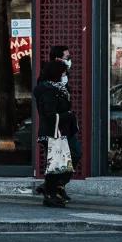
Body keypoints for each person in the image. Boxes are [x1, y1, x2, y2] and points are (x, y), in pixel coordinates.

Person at [33, 60, 75, 207]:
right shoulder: (49, 90)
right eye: (63, 73)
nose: (65, 75)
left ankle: (51, 190)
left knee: (60, 163)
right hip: (52, 132)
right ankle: (50, 193)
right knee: (55, 164)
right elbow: (49, 114)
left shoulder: (59, 88)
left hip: (57, 131)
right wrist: (68, 115)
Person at [49, 45, 82, 170]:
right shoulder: (49, 78)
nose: (69, 60)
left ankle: (58, 184)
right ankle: (53, 185)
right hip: (56, 125)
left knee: (74, 154)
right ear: (58, 59)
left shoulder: (65, 76)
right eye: (67, 57)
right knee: (59, 159)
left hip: (66, 125)